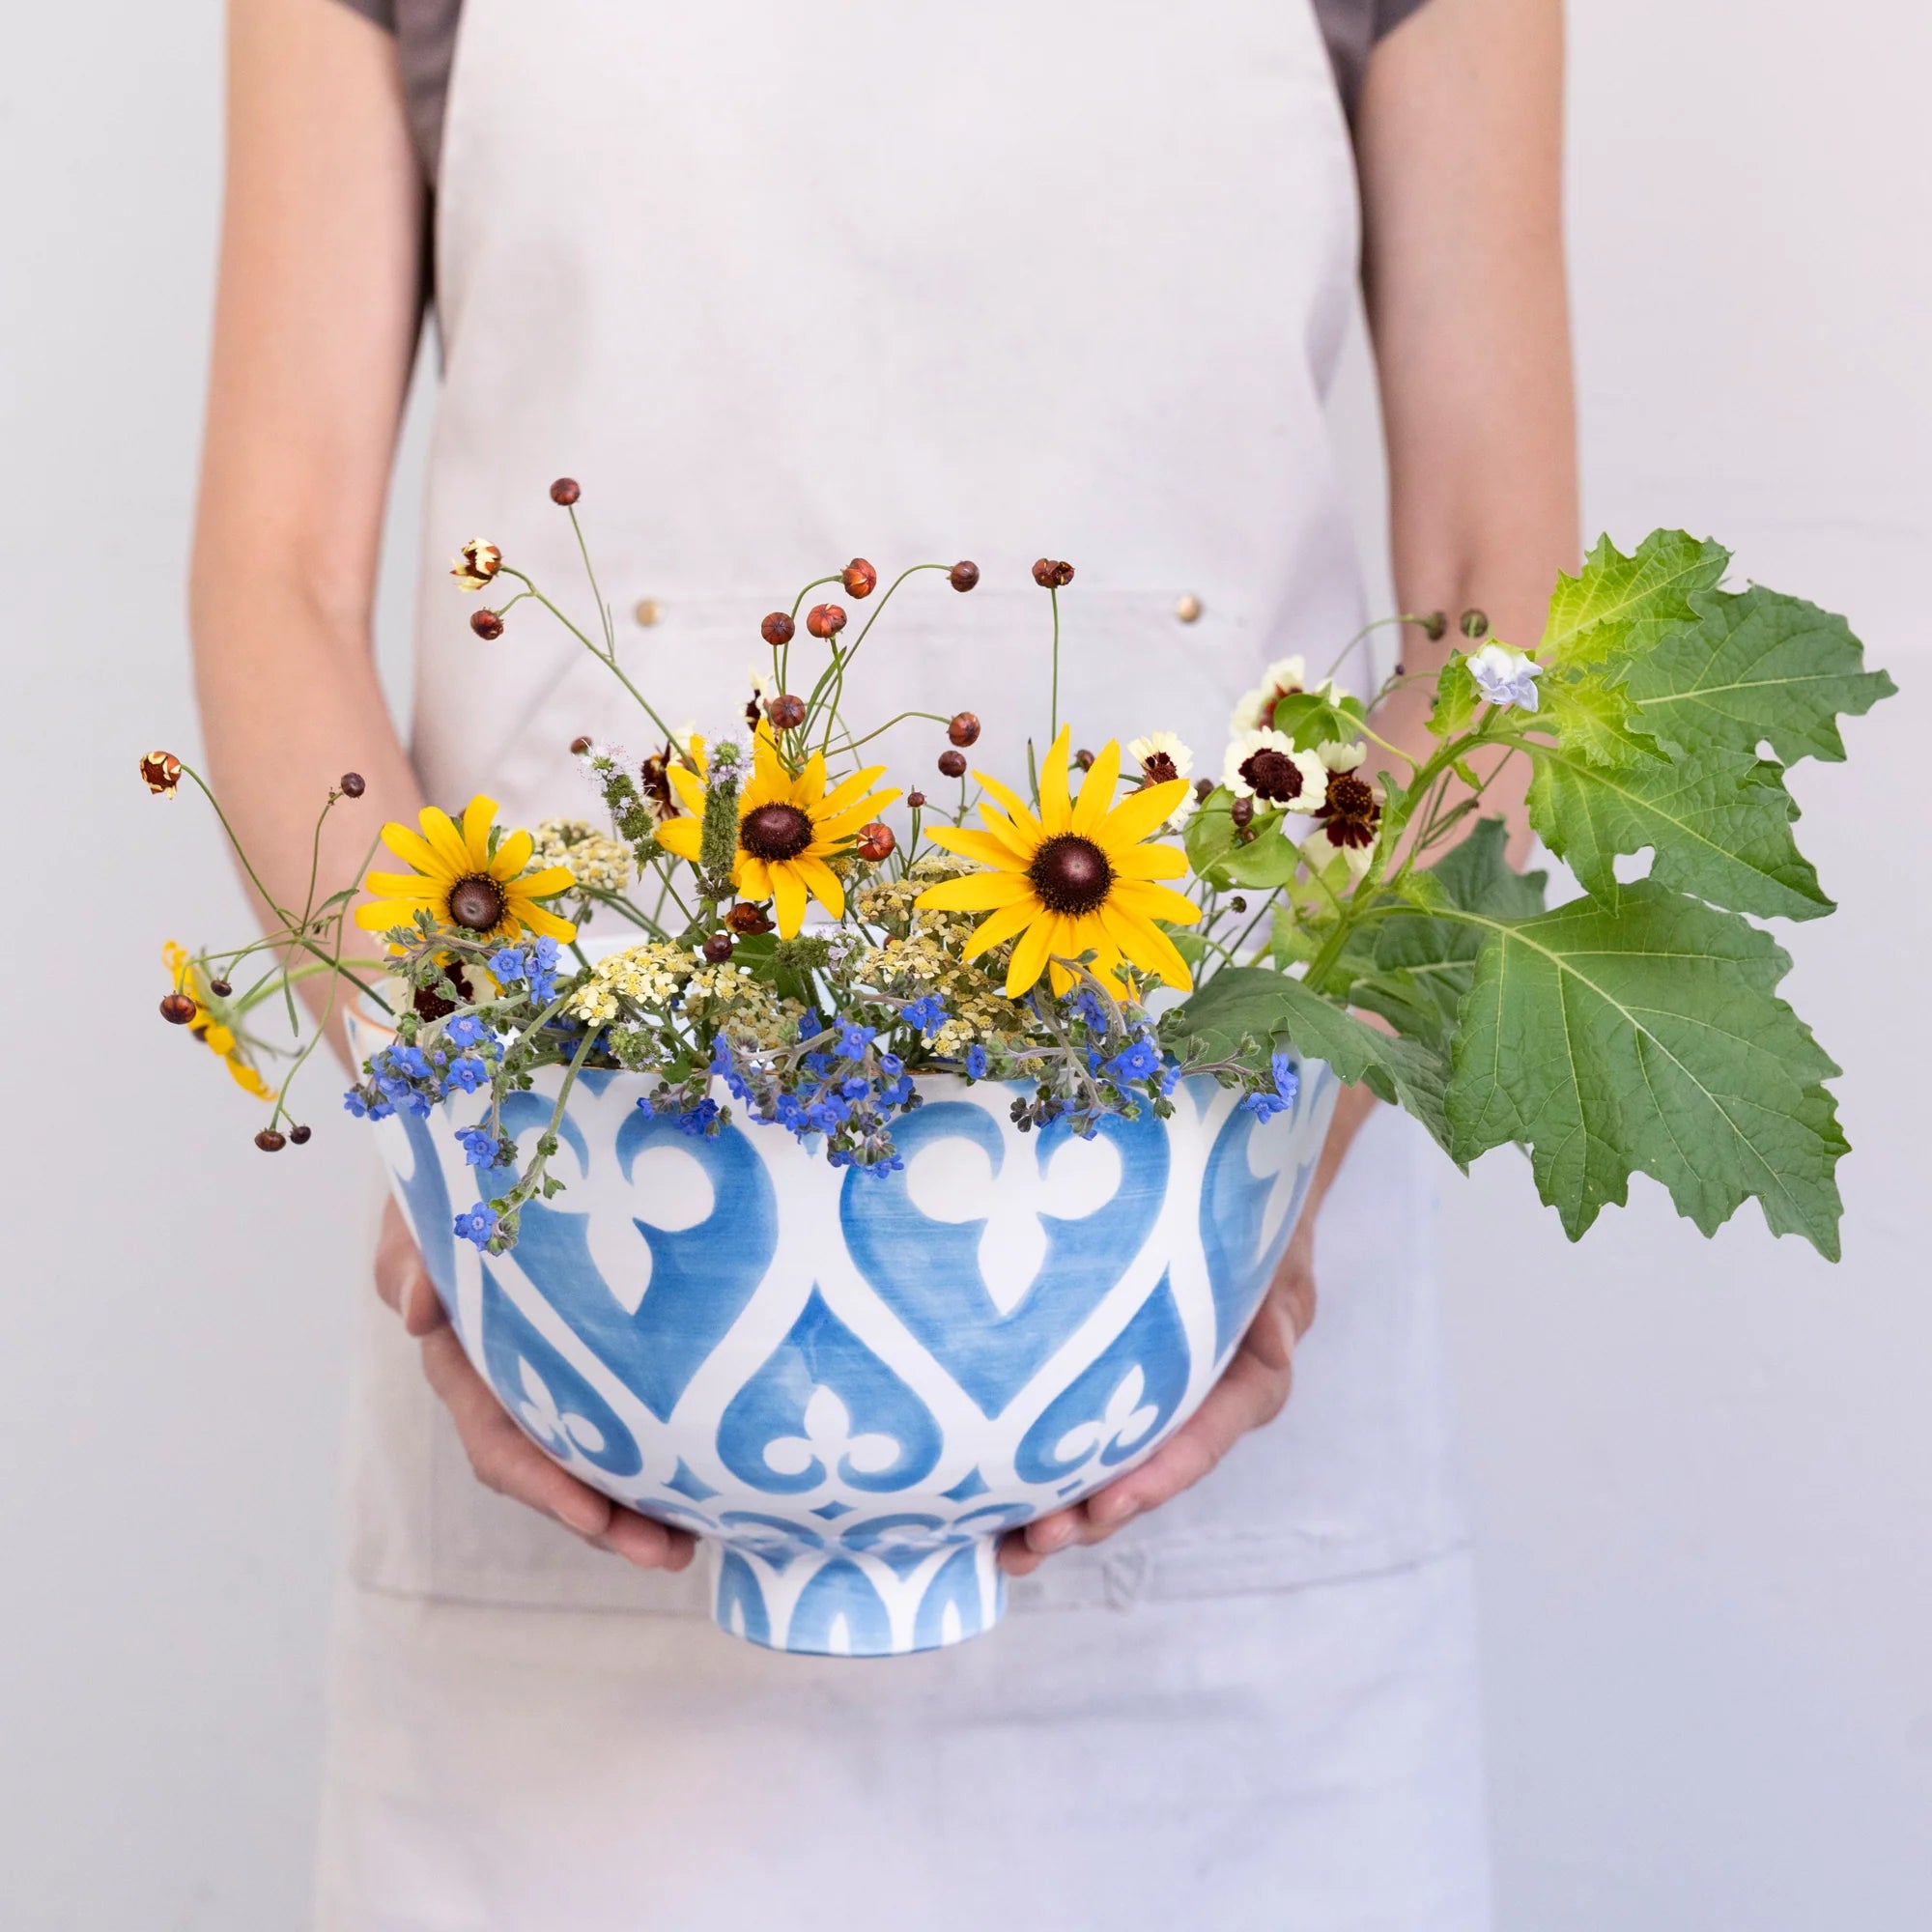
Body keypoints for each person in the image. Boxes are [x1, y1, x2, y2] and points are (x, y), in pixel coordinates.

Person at [191, 0, 1576, 1924]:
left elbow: (1496, 583)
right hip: (581, 1431)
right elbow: (277, 563)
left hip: (1216, 1463)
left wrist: (1262, 1176)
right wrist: (473, 1158)